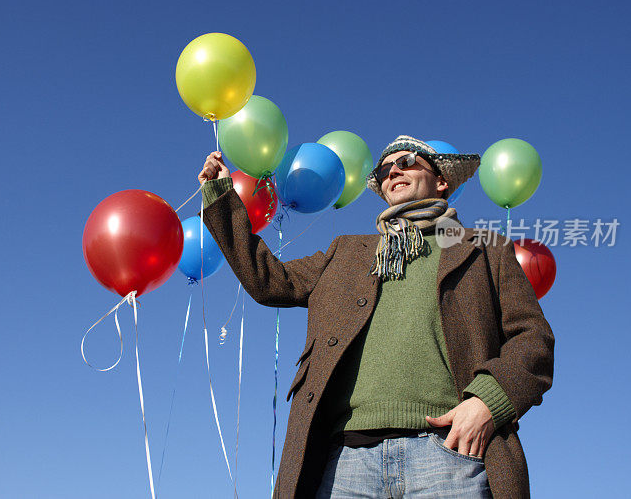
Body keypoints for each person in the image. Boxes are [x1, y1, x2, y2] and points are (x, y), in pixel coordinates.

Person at [198, 135, 554, 498]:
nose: (393, 171)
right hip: (345, 465)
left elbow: (532, 339)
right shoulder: (346, 252)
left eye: (407, 161)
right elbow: (268, 281)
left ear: (442, 181)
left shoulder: (484, 249)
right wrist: (221, 196)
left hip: (450, 455)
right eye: (384, 169)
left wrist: (486, 403)